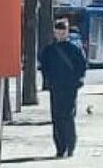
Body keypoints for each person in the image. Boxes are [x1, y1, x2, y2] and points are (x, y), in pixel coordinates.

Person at [38, 19, 88, 158]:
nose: (60, 34)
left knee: (67, 116)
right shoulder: (49, 50)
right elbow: (44, 67)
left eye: (63, 31)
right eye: (58, 31)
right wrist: (48, 82)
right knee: (57, 118)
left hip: (69, 88)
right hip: (56, 88)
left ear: (67, 32)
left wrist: (77, 81)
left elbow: (82, 66)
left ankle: (70, 146)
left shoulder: (74, 49)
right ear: (54, 32)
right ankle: (60, 147)